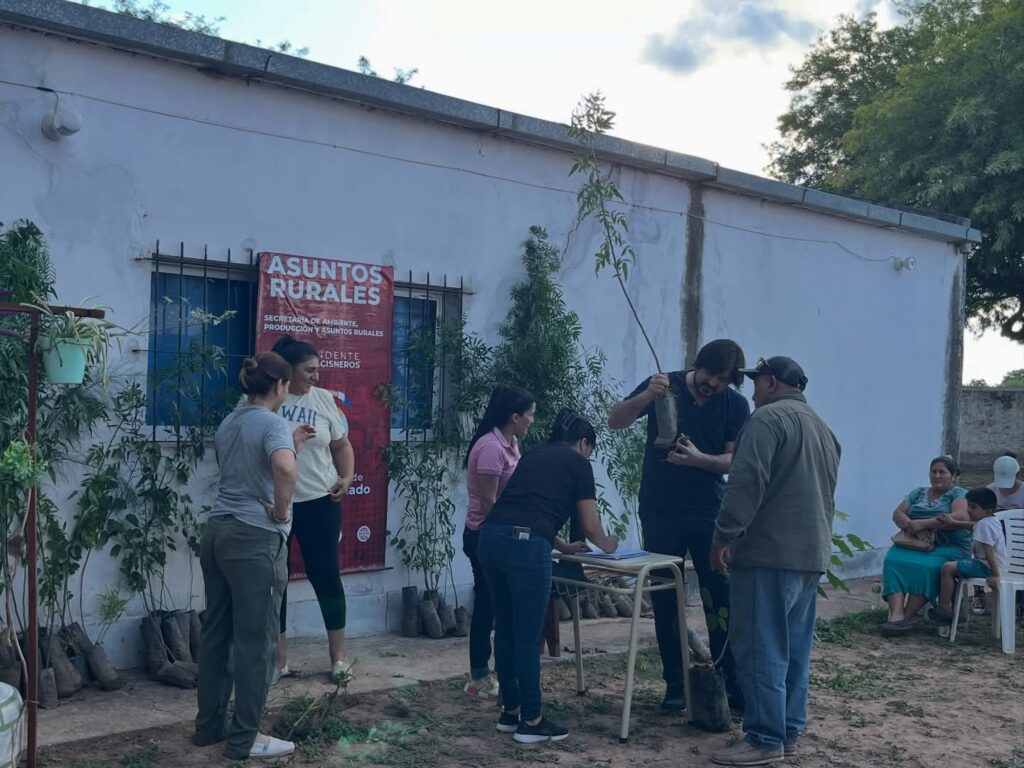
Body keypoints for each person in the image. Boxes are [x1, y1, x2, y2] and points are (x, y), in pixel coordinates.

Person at [709, 356, 841, 767]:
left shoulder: (766, 421)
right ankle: (786, 731)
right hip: (809, 553)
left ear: (771, 382)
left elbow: (745, 483)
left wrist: (722, 537)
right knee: (794, 648)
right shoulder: (823, 428)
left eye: (755, 381)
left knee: (761, 647)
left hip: (768, 553)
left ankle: (764, 739)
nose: (751, 389)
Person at [608, 338, 750, 711]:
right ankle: (675, 686)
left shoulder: (735, 405)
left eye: (723, 380)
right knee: (666, 600)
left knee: (718, 595)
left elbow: (734, 462)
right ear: (698, 364)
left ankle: (729, 681)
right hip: (659, 510)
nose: (713, 384)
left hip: (708, 512)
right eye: (710, 375)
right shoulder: (663, 385)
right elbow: (614, 421)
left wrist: (700, 459)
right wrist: (644, 399)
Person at [194, 352, 314, 760]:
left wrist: (291, 444)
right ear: (279, 386)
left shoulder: (233, 419)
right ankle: (247, 738)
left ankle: (209, 728)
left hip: (218, 533)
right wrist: (282, 512)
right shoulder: (272, 422)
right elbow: (284, 471)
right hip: (254, 539)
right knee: (256, 642)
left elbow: (256, 465)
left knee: (216, 635)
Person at [479, 409, 619, 744]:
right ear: (583, 442)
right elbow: (589, 525)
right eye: (590, 449)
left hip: (492, 538)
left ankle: (510, 713)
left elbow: (525, 505)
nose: (589, 456)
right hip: (525, 548)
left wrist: (561, 545)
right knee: (528, 636)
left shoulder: (535, 454)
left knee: (508, 628)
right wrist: (607, 543)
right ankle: (532, 720)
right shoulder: (578, 464)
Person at [270, 335, 356, 684]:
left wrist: (347, 477)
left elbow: (342, 444)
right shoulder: (266, 401)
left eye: (318, 370)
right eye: (309, 370)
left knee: (326, 576)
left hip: (320, 502)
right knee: (276, 583)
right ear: (287, 372)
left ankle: (339, 658)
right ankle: (277, 662)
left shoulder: (324, 401)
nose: (316, 377)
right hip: (275, 504)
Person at [462, 385, 536, 700]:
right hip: (484, 534)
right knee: (488, 605)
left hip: (500, 534)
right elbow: (491, 503)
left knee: (497, 604)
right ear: (514, 416)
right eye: (530, 415)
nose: (533, 420)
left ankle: (493, 671)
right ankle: (479, 674)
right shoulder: (491, 447)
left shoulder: (511, 443)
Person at [880, 456, 971, 637]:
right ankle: (896, 615)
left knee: (928, 567)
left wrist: (924, 524)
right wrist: (910, 526)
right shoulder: (918, 492)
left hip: (948, 546)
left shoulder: (958, 494)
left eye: (942, 472)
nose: (937, 475)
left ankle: (906, 617)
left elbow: (960, 516)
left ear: (953, 476)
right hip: (914, 542)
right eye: (933, 471)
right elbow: (898, 513)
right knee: (892, 560)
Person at [930, 488, 1006, 623]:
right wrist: (954, 523)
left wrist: (995, 575)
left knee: (947, 568)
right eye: (968, 506)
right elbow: (973, 526)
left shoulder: (984, 525)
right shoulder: (990, 520)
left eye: (973, 507)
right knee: (954, 567)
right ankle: (954, 607)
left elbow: (988, 550)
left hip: (986, 567)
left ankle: (943, 608)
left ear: (987, 511)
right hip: (990, 565)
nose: (969, 510)